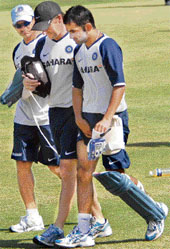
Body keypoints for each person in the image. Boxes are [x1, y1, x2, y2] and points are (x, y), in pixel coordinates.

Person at [54, 5, 168, 248]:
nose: (71, 36)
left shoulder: (108, 46)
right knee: (84, 173)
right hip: (87, 121)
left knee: (117, 178)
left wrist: (106, 118)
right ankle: (84, 230)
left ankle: (155, 213)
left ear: (87, 27)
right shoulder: (78, 51)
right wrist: (79, 118)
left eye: (73, 31)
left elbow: (119, 85)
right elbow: (77, 88)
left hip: (113, 120)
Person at [22, 1, 112, 247]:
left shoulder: (77, 41)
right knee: (77, 171)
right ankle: (100, 220)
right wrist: (31, 85)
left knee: (69, 170)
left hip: (79, 112)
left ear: (59, 19)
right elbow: (42, 83)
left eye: (47, 25)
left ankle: (58, 227)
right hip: (55, 113)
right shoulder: (41, 45)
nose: (44, 31)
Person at [9, 4, 60, 233]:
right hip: (24, 116)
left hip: (47, 116)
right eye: (17, 25)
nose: (22, 28)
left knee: (58, 168)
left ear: (34, 21)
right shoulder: (17, 51)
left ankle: (91, 210)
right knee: (22, 164)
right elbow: (19, 82)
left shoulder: (46, 45)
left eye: (26, 23)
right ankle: (32, 216)